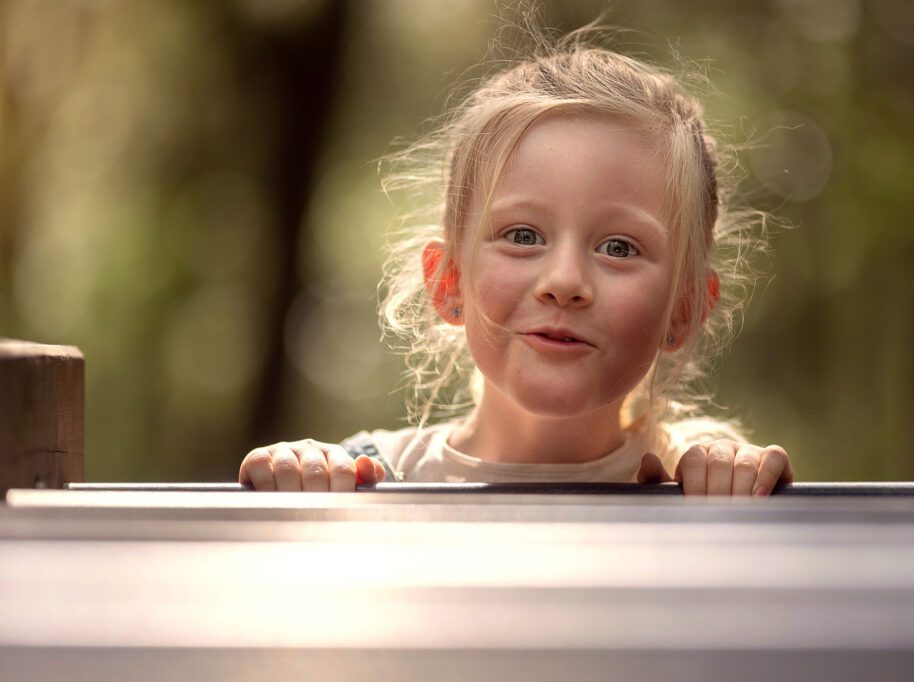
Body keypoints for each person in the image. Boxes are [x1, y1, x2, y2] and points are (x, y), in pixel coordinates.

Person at [239, 29, 793, 496]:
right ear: (449, 281)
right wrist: (296, 485)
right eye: (523, 235)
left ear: (685, 307)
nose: (565, 282)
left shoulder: (698, 489)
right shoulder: (364, 481)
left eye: (618, 248)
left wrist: (732, 501)